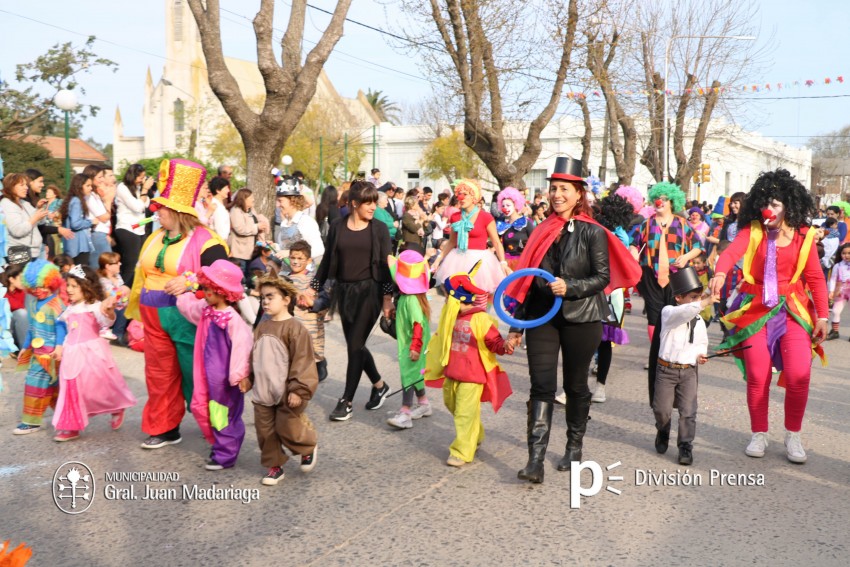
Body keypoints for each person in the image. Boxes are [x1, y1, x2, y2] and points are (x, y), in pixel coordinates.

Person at [504, 157, 641, 483]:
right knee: (541, 385)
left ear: (579, 193)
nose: (557, 194)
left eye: (564, 189)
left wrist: (571, 287)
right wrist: (516, 327)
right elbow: (525, 281)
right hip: (541, 317)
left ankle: (574, 446)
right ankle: (535, 460)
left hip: (582, 317)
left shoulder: (592, 232)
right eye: (553, 188)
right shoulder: (540, 230)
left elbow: (602, 277)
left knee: (575, 385)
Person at [710, 169, 829, 464]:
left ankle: (793, 435)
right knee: (757, 375)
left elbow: (816, 278)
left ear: (789, 205)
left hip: (793, 311)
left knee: (799, 374)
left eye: (776, 204)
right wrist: (721, 272)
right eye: (766, 203)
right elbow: (729, 254)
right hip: (756, 310)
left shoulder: (804, 235)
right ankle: (759, 433)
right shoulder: (753, 230)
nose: (769, 209)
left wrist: (823, 317)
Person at [126, 158, 229, 449]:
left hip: (188, 320)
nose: (155, 211)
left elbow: (226, 276)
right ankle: (165, 428)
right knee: (159, 375)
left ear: (178, 211)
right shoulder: (155, 237)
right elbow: (142, 273)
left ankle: (222, 431)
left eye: (161, 207)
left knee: (200, 375)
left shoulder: (207, 240)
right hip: (153, 318)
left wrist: (191, 282)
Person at [314, 181, 394, 421]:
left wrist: (387, 299)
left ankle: (346, 401)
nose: (373, 207)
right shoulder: (337, 226)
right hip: (344, 291)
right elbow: (327, 261)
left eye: (374, 202)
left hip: (371, 291)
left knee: (355, 345)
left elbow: (386, 265)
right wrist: (313, 288)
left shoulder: (379, 228)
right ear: (354, 204)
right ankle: (379, 386)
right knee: (354, 344)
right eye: (368, 203)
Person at [424, 266, 514, 466]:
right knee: (452, 405)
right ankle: (476, 434)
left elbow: (494, 343)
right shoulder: (451, 316)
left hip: (472, 377)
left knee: (464, 413)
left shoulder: (481, 319)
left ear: (456, 298)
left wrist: (505, 346)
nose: (445, 300)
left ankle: (461, 451)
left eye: (447, 296)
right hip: (452, 372)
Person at [176, 259, 252, 470]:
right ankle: (219, 443)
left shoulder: (232, 320)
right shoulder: (206, 309)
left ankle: (225, 454)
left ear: (223, 292)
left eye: (210, 289)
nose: (205, 292)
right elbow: (189, 308)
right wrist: (185, 291)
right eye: (205, 287)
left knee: (222, 414)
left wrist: (239, 375)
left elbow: (243, 347)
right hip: (204, 373)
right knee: (201, 406)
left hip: (224, 379)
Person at [243, 275, 319, 486]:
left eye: (270, 297)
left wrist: (298, 390)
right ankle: (274, 466)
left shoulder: (295, 328)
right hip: (263, 391)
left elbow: (303, 361)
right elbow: (255, 356)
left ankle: (307, 446)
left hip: (287, 392)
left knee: (287, 427)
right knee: (265, 432)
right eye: (263, 298)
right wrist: (249, 378)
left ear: (286, 300)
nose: (265, 302)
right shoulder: (262, 327)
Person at [51, 265, 136, 442]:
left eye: (74, 286)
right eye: (68, 285)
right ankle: (71, 426)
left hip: (91, 354)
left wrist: (109, 312)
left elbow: (107, 321)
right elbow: (66, 330)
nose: (69, 289)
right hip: (72, 354)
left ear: (87, 286)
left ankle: (116, 407)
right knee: (71, 388)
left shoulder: (95, 306)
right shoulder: (69, 309)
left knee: (98, 388)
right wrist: (60, 348)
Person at [653, 267, 718, 466]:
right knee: (662, 410)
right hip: (666, 370)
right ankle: (663, 429)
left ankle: (685, 445)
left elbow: (701, 343)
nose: (697, 301)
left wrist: (701, 355)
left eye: (699, 297)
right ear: (679, 298)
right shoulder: (669, 313)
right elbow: (685, 312)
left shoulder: (699, 321)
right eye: (693, 297)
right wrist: (704, 302)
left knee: (688, 411)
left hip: (689, 372)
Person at [590, 193, 636, 404]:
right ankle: (580, 386)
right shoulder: (595, 229)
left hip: (610, 292)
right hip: (593, 289)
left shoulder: (620, 236)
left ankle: (600, 387)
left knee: (604, 341)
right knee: (586, 338)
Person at [12, 259, 67, 435]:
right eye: (33, 287)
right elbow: (31, 327)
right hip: (37, 354)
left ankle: (42, 420)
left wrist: (59, 347)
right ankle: (42, 419)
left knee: (50, 386)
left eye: (41, 286)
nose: (37, 290)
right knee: (38, 385)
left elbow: (61, 327)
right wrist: (24, 347)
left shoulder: (57, 304)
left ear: (51, 282)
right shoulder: (33, 303)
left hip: (52, 354)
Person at [433, 179, 508, 296]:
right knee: (456, 298)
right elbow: (451, 242)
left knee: (479, 298)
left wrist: (503, 262)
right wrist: (438, 260)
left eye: (465, 194)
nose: (461, 198)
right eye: (459, 194)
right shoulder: (455, 217)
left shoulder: (486, 217)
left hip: (480, 263)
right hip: (457, 260)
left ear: (474, 197)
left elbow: (496, 243)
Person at [385, 251, 433, 430]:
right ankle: (424, 403)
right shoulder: (408, 297)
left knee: (408, 374)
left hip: (413, 343)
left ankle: (405, 413)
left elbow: (418, 324)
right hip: (412, 342)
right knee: (415, 374)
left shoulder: (411, 299)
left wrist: (415, 347)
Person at [2, 173, 71, 262]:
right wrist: (34, 218)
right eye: (22, 185)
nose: (26, 188)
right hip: (19, 253)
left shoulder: (24, 203)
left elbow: (40, 222)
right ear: (11, 187)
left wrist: (39, 210)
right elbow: (17, 231)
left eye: (26, 185)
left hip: (33, 252)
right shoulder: (7, 204)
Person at [288, 240, 328, 382]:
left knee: (312, 355)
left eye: (300, 258)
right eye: (293, 258)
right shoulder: (285, 279)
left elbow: (325, 301)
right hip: (292, 328)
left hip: (311, 328)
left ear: (309, 260)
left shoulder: (314, 281)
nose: (295, 261)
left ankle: (320, 364)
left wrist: (312, 303)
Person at [114, 164, 153, 290]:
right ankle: (123, 294)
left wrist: (144, 190)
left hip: (139, 229)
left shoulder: (137, 188)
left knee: (140, 263)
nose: (142, 180)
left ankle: (134, 292)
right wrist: (145, 190)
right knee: (130, 265)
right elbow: (137, 207)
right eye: (140, 177)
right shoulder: (122, 187)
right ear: (133, 176)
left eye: (144, 177)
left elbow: (145, 204)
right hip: (127, 228)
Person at [275, 179, 324, 268]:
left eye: (280, 201)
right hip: (286, 272)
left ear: (292, 201)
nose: (277, 205)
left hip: (303, 274)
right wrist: (274, 247)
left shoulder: (305, 221)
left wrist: (291, 253)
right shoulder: (285, 222)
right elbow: (284, 248)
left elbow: (319, 249)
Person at [59, 174, 96, 265]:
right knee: (80, 271)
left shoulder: (71, 200)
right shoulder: (77, 201)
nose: (91, 188)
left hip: (71, 245)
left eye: (91, 185)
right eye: (88, 185)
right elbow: (75, 224)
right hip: (79, 246)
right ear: (79, 186)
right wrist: (91, 222)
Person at [496, 187, 533, 271]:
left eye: (508, 205)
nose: (505, 208)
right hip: (506, 264)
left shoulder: (526, 223)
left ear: (516, 205)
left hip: (523, 264)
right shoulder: (502, 225)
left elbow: (535, 242)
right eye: (503, 206)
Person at [83, 164, 114, 269]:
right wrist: (108, 201)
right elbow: (104, 217)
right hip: (97, 234)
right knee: (102, 268)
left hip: (101, 234)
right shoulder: (90, 197)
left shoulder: (95, 195)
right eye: (99, 177)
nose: (102, 180)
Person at [97, 252, 130, 341]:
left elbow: (123, 294)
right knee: (123, 309)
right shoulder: (102, 280)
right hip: (108, 308)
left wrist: (126, 298)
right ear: (108, 266)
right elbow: (112, 296)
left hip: (120, 303)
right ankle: (118, 335)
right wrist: (125, 296)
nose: (120, 264)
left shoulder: (118, 276)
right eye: (117, 262)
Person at [1, 263, 29, 351]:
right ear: (12, 279)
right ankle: (25, 351)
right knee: (21, 313)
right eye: (21, 279)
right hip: (6, 330)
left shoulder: (21, 291)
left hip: (21, 329)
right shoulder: (3, 294)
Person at [827, 243, 850, 340]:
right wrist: (831, 291)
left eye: (849, 253)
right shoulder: (837, 266)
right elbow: (832, 279)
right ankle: (835, 331)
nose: (846, 255)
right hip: (841, 290)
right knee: (836, 311)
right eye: (843, 253)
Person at [208, 176, 231, 241]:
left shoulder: (219, 205)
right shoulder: (216, 207)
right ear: (218, 190)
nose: (228, 190)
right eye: (226, 188)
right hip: (220, 241)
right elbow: (220, 230)